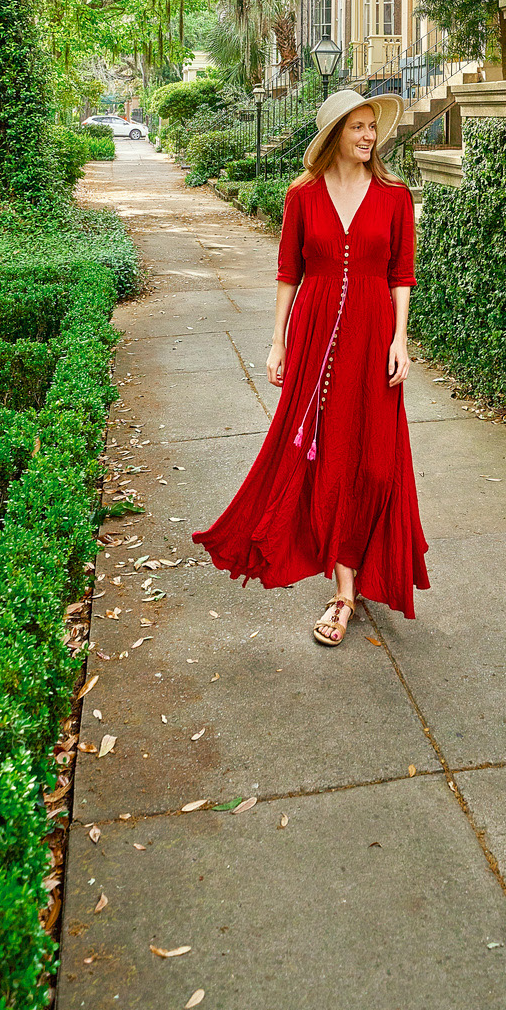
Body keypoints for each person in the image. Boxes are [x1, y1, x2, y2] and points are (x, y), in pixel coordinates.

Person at [193, 88, 429, 645]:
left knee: (374, 461)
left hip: (374, 338)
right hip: (315, 337)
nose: (370, 137)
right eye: (359, 128)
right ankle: (344, 591)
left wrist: (401, 339)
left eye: (374, 127)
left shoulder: (395, 197)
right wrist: (277, 341)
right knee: (329, 457)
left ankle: (363, 558)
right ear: (334, 137)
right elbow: (287, 273)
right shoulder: (301, 196)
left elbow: (402, 274)